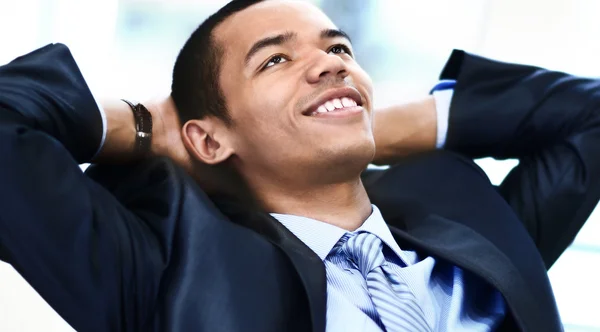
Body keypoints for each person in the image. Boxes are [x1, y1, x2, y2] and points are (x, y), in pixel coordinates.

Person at [0, 0, 598, 331]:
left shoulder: (470, 215)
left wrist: (379, 129)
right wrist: (146, 126)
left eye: (339, 49)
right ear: (208, 140)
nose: (330, 64)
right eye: (275, 60)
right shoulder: (164, 266)